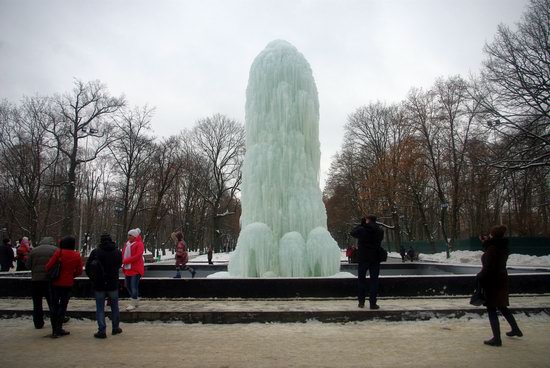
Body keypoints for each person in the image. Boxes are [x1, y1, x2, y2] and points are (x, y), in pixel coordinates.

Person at [477, 225, 523, 347]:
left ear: (493, 235)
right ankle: (515, 329)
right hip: (501, 279)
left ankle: (497, 338)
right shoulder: (502, 247)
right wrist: (486, 242)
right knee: (502, 306)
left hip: (493, 281)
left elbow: (488, 267)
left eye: (491, 234)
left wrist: (479, 276)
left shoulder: (492, 248)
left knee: (491, 308)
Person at [86, 233, 123, 338]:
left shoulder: (96, 252)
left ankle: (102, 330)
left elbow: (88, 267)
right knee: (115, 306)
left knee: (100, 307)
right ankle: (115, 328)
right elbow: (119, 265)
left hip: (99, 284)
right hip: (113, 283)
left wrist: (93, 278)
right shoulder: (117, 252)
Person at [45, 236, 83, 338]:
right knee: (63, 305)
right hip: (67, 284)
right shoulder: (76, 255)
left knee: (54, 305)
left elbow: (48, 267)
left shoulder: (59, 253)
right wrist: (71, 275)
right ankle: (59, 327)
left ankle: (54, 330)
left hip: (55, 283)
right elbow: (79, 271)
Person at [350, 215, 384, 309]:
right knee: (374, 281)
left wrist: (361, 225)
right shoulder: (380, 230)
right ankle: (373, 303)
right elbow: (379, 240)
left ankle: (361, 302)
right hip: (375, 258)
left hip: (363, 258)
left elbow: (352, 233)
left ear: (367, 220)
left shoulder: (361, 229)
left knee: (361, 280)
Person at [25, 236, 57, 329]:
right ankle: (55, 321)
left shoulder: (34, 251)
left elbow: (28, 265)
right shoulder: (55, 250)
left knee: (37, 303)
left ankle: (38, 323)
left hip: (36, 280)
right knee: (52, 303)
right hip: (49, 280)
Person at [122, 228, 144, 311]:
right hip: (128, 268)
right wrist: (123, 263)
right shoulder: (127, 244)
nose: (128, 237)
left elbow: (138, 256)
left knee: (134, 286)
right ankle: (135, 300)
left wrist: (126, 261)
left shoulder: (139, 244)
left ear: (134, 236)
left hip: (136, 269)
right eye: (128, 235)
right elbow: (123, 254)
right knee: (127, 285)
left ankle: (133, 303)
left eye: (130, 235)